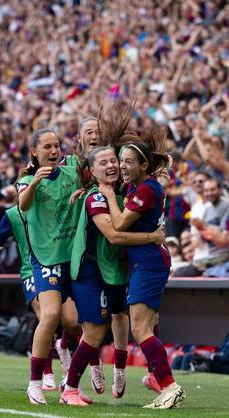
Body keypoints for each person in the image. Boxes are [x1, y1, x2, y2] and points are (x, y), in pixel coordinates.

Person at [62, 146, 165, 406]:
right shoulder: (96, 197)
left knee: (141, 318)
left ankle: (138, 374)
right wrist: (152, 237)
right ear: (91, 171)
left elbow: (146, 183)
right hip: (90, 272)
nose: (111, 166)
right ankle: (70, 388)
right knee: (95, 333)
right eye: (104, 162)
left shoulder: (123, 191)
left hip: (114, 270)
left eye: (114, 161)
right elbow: (115, 235)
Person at [98, 112, 185, 408]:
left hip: (149, 262)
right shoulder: (142, 185)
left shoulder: (146, 189)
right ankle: (156, 377)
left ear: (143, 166)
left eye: (128, 162)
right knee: (148, 324)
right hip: (151, 260)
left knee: (139, 328)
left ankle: (169, 385)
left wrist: (108, 194)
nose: (122, 167)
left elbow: (120, 224)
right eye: (120, 161)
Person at [16, 129, 82, 405]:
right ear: (35, 151)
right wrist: (33, 184)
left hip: (74, 259)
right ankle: (35, 384)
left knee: (74, 323)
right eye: (47, 146)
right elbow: (23, 203)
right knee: (51, 315)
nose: (53, 151)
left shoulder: (71, 173)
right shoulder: (28, 181)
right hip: (46, 259)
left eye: (56, 146)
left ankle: (65, 350)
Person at [190, 178, 229, 274]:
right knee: (181, 272)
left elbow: (223, 234)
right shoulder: (207, 209)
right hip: (211, 256)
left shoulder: (227, 205)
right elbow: (202, 239)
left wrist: (203, 227)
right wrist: (199, 228)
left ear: (219, 190)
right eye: (207, 190)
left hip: (227, 254)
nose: (209, 193)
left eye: (212, 190)